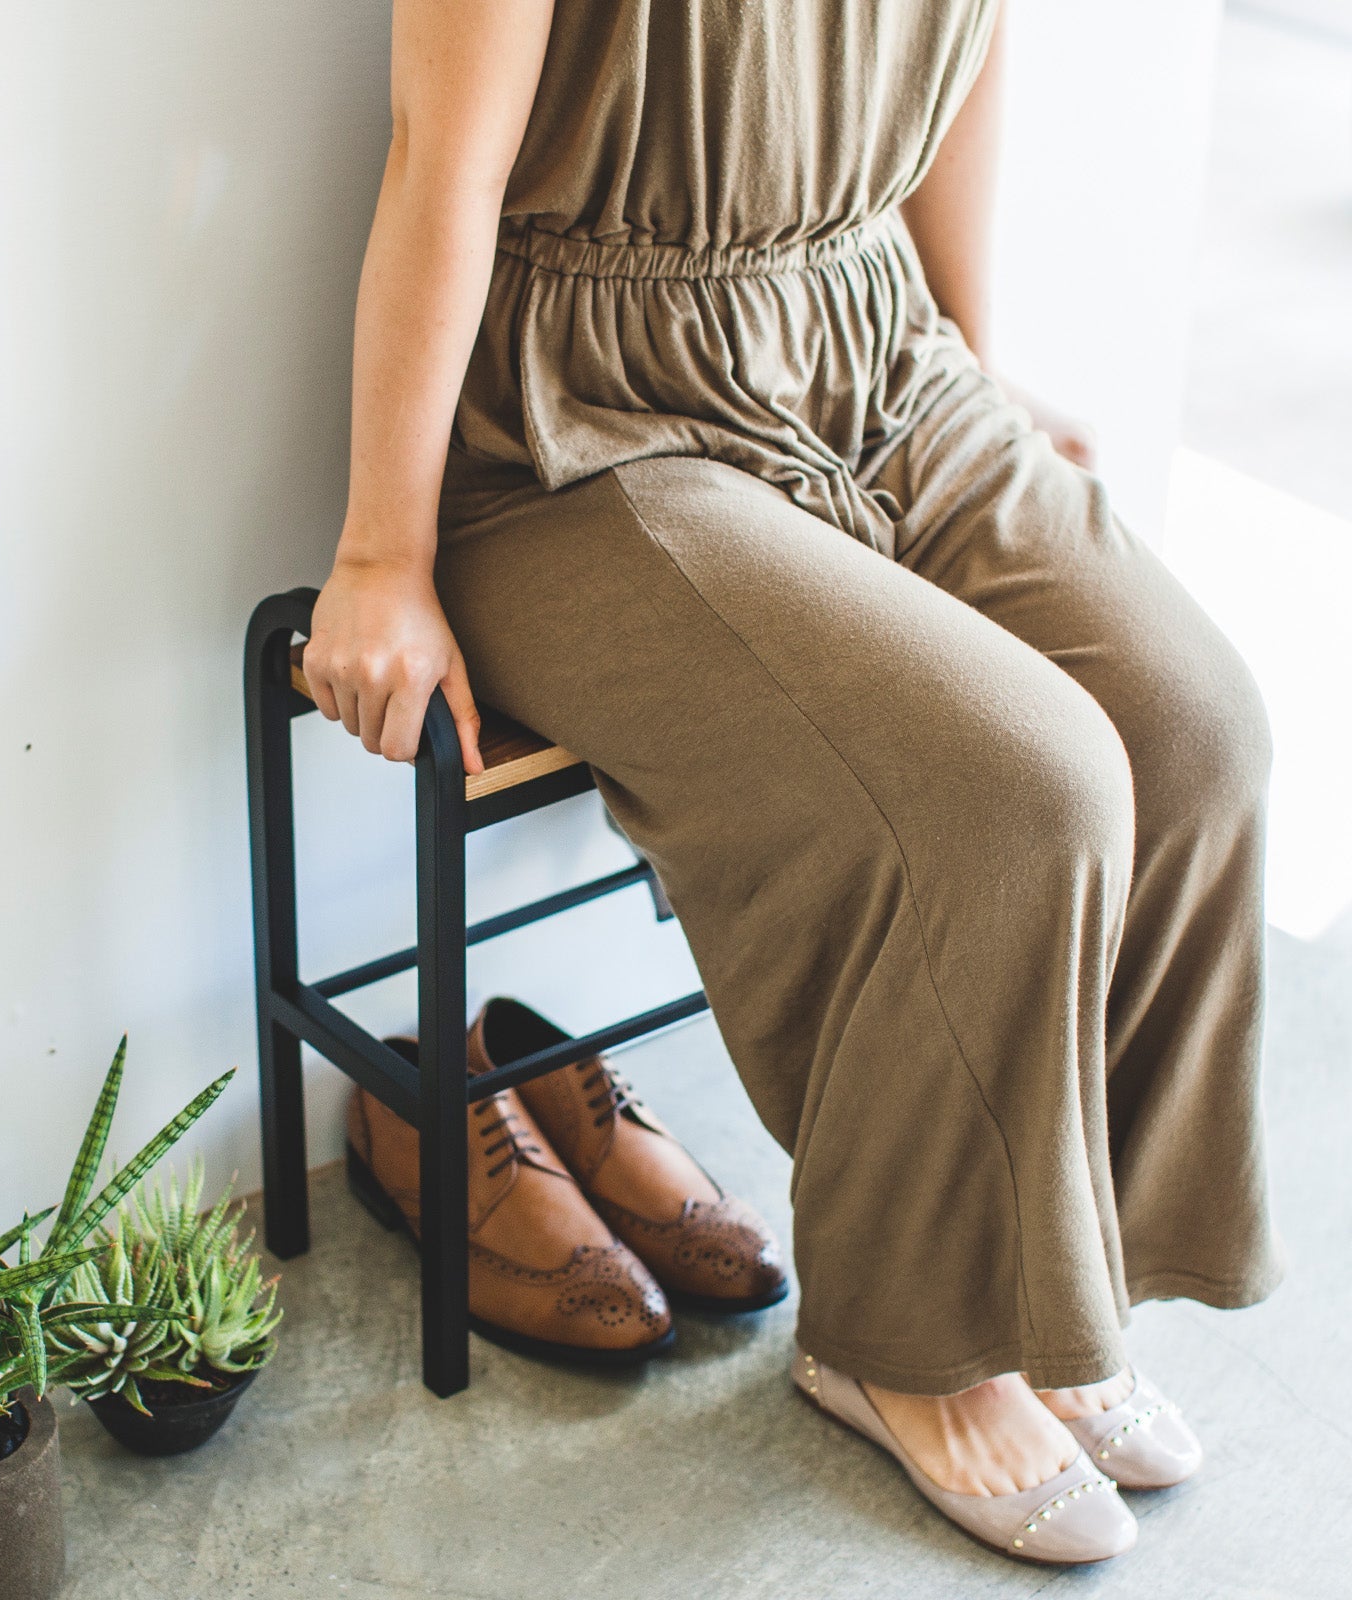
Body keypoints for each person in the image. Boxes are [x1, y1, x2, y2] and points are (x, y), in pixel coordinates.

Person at [302, 0, 1287, 1567]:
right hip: (585, 424)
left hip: (873, 348)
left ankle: (1052, 1287)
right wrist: (379, 552)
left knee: (1193, 731)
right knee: (1023, 793)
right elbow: (443, 155)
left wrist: (970, 351)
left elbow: (963, 59)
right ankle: (911, 1337)